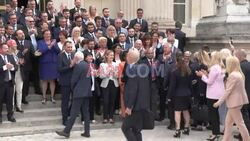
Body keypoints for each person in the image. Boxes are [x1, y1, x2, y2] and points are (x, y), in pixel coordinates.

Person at [56, 51, 92, 138]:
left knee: (73, 112)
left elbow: (74, 80)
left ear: (76, 58)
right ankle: (87, 132)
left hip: (79, 92)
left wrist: (73, 89)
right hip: (87, 92)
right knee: (86, 113)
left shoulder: (78, 66)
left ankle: (66, 131)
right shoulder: (87, 65)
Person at [213, 56, 250, 141]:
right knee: (228, 123)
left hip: (234, 103)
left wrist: (219, 102)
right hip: (236, 102)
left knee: (240, 123)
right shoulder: (239, 74)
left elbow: (228, 91)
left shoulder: (233, 75)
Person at [121, 48, 151, 141]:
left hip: (134, 106)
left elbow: (133, 90)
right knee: (136, 130)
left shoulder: (133, 69)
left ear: (129, 57)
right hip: (142, 104)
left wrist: (129, 106)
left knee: (125, 128)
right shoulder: (142, 68)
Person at [196, 51, 225, 141]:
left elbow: (210, 82)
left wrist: (202, 76)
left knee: (213, 115)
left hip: (212, 94)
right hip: (219, 93)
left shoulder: (214, 68)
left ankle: (215, 134)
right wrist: (206, 74)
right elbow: (214, 79)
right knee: (215, 114)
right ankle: (216, 133)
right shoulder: (221, 67)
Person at [167, 52, 193, 138]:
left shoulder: (175, 72)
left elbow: (172, 86)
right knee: (186, 111)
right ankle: (186, 127)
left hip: (178, 95)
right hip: (187, 94)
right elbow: (190, 84)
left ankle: (177, 130)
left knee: (177, 112)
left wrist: (169, 96)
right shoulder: (188, 71)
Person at [37, 30, 60, 104]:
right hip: (44, 63)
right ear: (43, 35)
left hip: (53, 63)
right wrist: (49, 46)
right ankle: (44, 97)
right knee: (44, 80)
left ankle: (52, 97)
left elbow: (58, 51)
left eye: (49, 34)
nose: (48, 36)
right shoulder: (40, 42)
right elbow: (41, 51)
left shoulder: (54, 41)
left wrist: (53, 45)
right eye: (46, 34)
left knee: (52, 80)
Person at [57, 41, 75, 126]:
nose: (70, 49)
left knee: (75, 99)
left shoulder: (73, 55)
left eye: (71, 47)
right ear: (64, 47)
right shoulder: (60, 56)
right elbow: (59, 69)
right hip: (65, 82)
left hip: (73, 82)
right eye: (68, 47)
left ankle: (68, 112)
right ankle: (64, 119)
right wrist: (69, 67)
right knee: (65, 101)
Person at [99, 50, 119, 124]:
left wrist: (114, 73)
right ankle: (105, 117)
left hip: (114, 83)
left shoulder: (115, 64)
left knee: (112, 101)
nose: (112, 57)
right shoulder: (102, 65)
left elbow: (117, 76)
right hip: (105, 84)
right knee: (105, 101)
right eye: (110, 55)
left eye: (113, 55)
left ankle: (111, 117)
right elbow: (100, 76)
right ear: (106, 56)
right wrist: (107, 73)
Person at [234, 49, 250, 140]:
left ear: (239, 56)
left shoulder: (240, 67)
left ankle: (244, 135)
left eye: (236, 56)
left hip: (243, 95)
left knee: (243, 117)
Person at [0, 43, 17, 123]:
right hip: (1, 83)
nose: (7, 49)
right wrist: (5, 67)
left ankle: (10, 116)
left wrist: (12, 67)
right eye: (5, 48)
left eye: (7, 48)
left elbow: (16, 67)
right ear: (1, 49)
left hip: (10, 82)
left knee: (10, 100)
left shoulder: (10, 56)